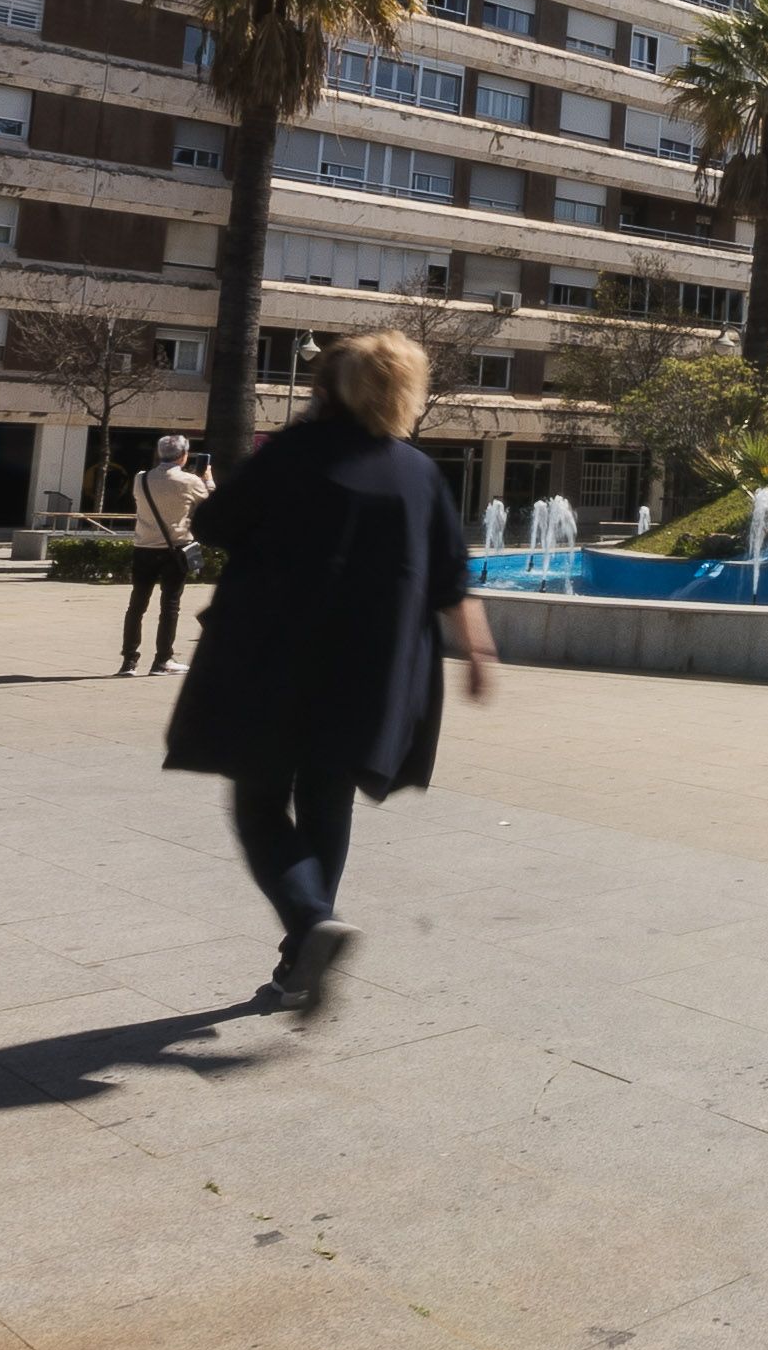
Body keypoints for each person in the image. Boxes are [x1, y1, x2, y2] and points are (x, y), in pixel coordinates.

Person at [164, 331, 496, 1018]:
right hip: (372, 672)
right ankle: (298, 965)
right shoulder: (417, 472)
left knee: (258, 802)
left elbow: (219, 521)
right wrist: (478, 652)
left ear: (331, 388)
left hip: (273, 658)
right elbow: (451, 575)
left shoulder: (291, 454)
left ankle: (311, 920)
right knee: (327, 800)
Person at [120, 435, 210, 677]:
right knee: (169, 606)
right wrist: (208, 479)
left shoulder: (141, 479)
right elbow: (212, 503)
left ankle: (129, 661)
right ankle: (163, 660)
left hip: (144, 548)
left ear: (160, 454)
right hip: (175, 550)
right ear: (183, 456)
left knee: (137, 604)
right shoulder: (191, 481)